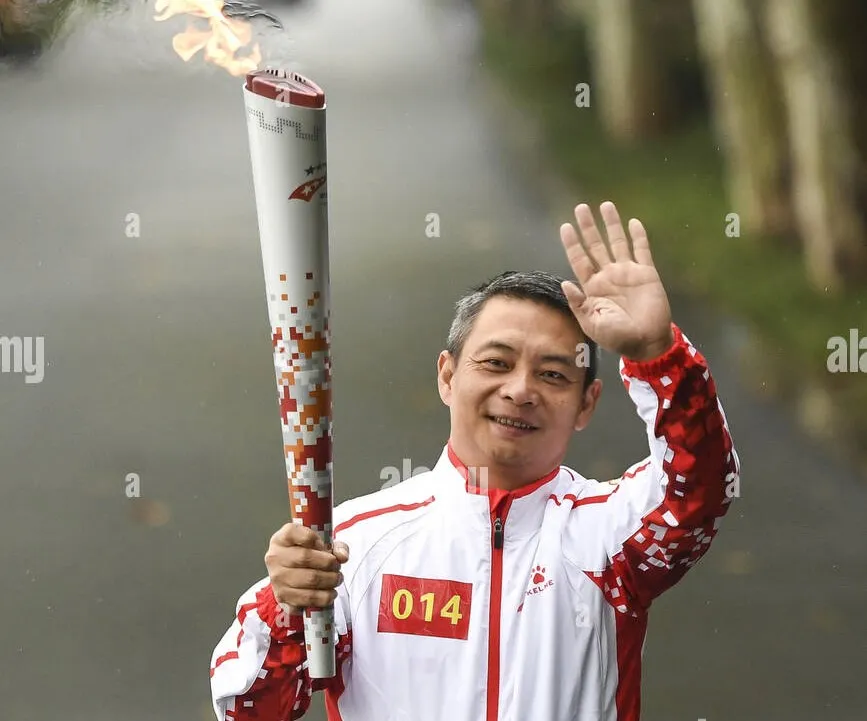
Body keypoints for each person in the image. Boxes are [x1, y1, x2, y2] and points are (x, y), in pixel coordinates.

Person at [210, 201, 740, 721]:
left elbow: (700, 488)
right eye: (496, 363)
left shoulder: (608, 538)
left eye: (553, 374)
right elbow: (248, 710)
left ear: (587, 403)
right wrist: (286, 609)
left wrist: (657, 356)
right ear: (447, 376)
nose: (520, 390)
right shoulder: (353, 549)